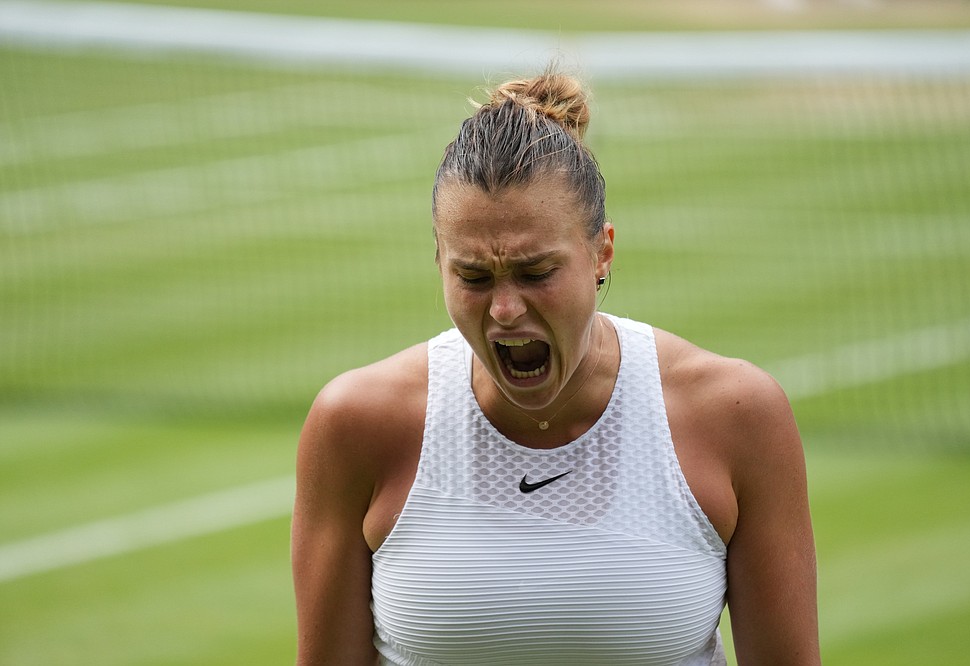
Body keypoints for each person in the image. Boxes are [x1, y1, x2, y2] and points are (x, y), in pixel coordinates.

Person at [292, 68, 819, 665]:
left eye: (536, 272)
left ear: (602, 251)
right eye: (473, 277)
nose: (506, 309)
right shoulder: (355, 423)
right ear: (438, 261)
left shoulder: (737, 414)